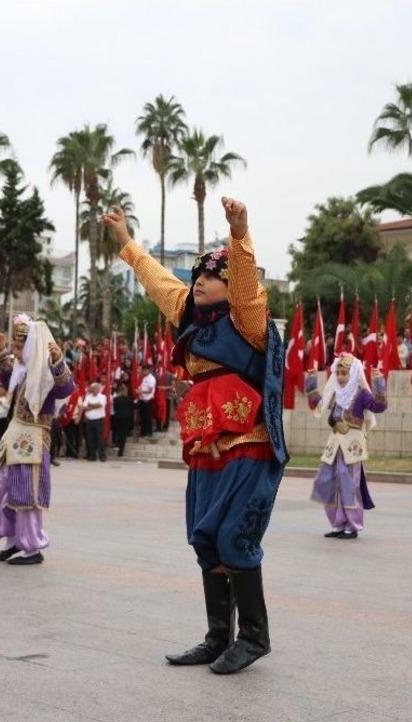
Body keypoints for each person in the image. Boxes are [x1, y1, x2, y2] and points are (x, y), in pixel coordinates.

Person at [107, 196, 287, 675]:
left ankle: (253, 636)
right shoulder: (191, 316)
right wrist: (127, 243)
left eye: (210, 276)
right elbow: (159, 283)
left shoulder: (246, 318)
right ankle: (216, 637)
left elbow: (247, 287)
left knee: (234, 535)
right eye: (198, 276)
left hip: (248, 443)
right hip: (206, 445)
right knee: (204, 537)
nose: (200, 282)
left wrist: (240, 232)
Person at [0, 315, 75, 565]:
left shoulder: (45, 374)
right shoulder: (21, 372)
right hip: (13, 436)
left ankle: (32, 547)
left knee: (25, 494)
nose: (15, 353)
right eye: (14, 347)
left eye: (19, 347)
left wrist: (57, 361)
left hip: (33, 441)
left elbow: (66, 388)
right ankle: (12, 541)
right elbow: (7, 376)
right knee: (0, 487)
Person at [307, 353, 387, 539]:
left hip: (352, 445)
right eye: (339, 373)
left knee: (348, 483)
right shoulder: (334, 393)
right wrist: (311, 381)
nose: (341, 377)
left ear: (354, 374)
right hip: (334, 445)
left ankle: (352, 525)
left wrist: (379, 383)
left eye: (345, 373)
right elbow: (317, 405)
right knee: (327, 480)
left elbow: (379, 406)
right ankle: (337, 524)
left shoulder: (361, 394)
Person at [81, 380, 108, 462]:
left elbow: (100, 405)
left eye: (95, 388)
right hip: (89, 420)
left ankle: (102, 456)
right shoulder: (88, 397)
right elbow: (84, 407)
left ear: (99, 389)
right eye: (92, 388)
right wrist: (93, 406)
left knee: (99, 439)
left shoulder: (103, 396)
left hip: (98, 420)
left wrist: (90, 405)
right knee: (90, 438)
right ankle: (92, 456)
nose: (93, 390)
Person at [111, 381, 134, 457]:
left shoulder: (116, 399)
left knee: (119, 433)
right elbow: (132, 409)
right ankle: (121, 451)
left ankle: (118, 446)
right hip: (126, 419)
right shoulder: (129, 399)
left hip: (118, 418)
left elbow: (115, 408)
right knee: (123, 435)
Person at [137, 363, 156, 437]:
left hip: (148, 400)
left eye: (144, 370)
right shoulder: (144, 378)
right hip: (142, 399)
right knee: (143, 417)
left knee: (147, 417)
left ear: (147, 370)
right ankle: (143, 432)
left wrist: (141, 391)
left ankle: (148, 432)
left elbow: (150, 390)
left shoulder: (151, 378)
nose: (142, 372)